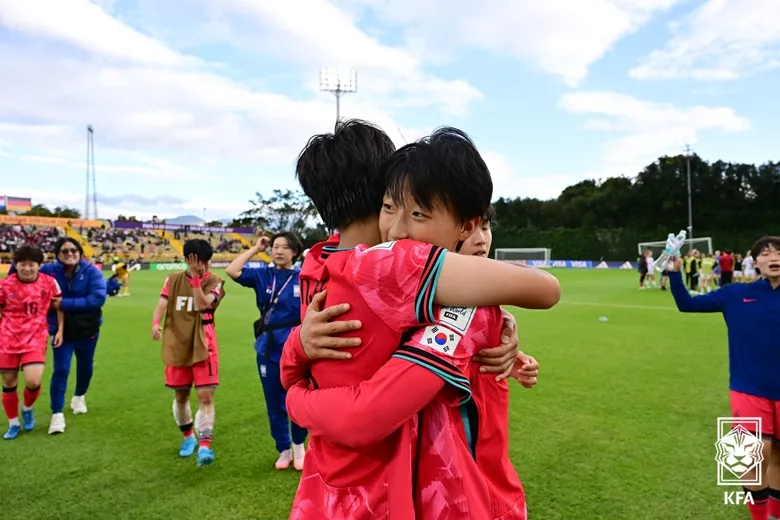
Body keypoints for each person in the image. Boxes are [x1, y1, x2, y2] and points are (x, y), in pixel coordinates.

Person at [283, 126, 560, 518]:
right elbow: (367, 414)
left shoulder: (319, 262)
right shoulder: (389, 264)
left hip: (331, 487)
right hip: (394, 492)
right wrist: (297, 399)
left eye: (416, 211)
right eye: (391, 205)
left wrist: (295, 356)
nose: (397, 229)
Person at [668, 235, 780, 520]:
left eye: (778, 252)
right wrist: (673, 272)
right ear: (754, 262)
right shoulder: (735, 295)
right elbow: (686, 304)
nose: (773, 257)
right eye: (765, 253)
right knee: (755, 455)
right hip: (749, 389)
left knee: (779, 456)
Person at [225, 231, 307, 471]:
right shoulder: (263, 275)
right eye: (275, 246)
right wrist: (255, 248)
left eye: (284, 247)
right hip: (267, 346)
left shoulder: (304, 277)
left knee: (298, 398)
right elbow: (232, 271)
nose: (278, 251)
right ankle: (283, 449)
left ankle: (299, 445)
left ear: (294, 252)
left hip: (294, 346)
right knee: (274, 401)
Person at [11, 238, 107, 434]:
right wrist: (19, 266)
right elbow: (20, 272)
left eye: (74, 250)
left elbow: (97, 299)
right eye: (64, 251)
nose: (70, 253)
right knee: (61, 369)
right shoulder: (49, 270)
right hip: (59, 330)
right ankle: (57, 414)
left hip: (87, 328)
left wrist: (64, 304)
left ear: (80, 253)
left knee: (85, 367)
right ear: (57, 254)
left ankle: (79, 395)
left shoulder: (91, 272)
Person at [151, 239, 225, 466]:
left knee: (205, 396)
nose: (201, 266)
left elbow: (204, 304)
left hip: (205, 344)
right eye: (196, 261)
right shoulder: (172, 280)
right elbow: (162, 304)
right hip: (178, 343)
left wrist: (194, 280)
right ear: (186, 260)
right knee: (181, 395)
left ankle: (205, 446)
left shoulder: (216, 281)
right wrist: (155, 322)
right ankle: (188, 438)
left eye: (204, 261)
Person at [0, 246, 64, 439]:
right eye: (22, 264)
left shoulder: (49, 283)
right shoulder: (5, 285)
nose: (27, 268)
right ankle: (13, 423)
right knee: (9, 382)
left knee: (33, 381)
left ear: (39, 265)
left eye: (31, 264)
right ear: (16, 265)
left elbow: (59, 306)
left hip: (35, 337)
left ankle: (27, 408)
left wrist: (60, 329)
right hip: (7, 339)